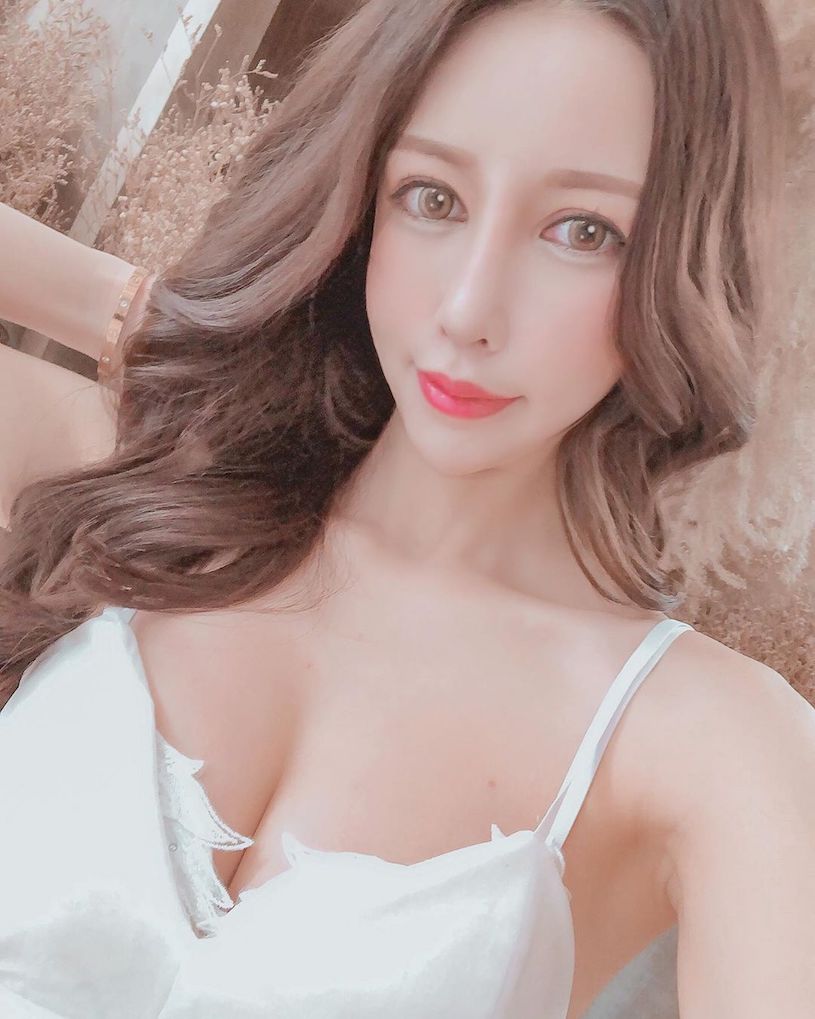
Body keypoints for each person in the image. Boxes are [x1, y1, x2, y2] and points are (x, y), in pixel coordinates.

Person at [0, 0, 813, 1016]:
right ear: (360, 201)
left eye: (582, 231)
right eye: (432, 196)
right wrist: (159, 325)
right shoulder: (125, 483)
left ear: (681, 262)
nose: (468, 310)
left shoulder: (709, 742)